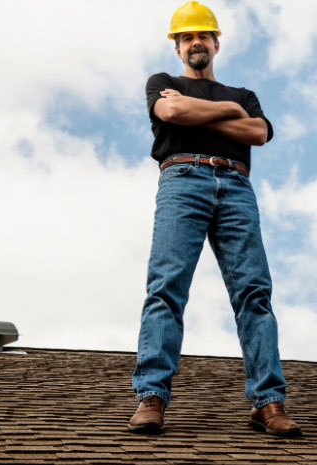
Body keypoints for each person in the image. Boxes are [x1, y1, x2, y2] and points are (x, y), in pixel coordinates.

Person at [128, 1, 301, 437]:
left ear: (216, 43)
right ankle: (151, 398)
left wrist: (204, 111)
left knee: (254, 295)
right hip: (182, 178)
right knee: (166, 288)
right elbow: (170, 113)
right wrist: (229, 114)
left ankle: (269, 404)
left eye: (202, 35)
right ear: (177, 47)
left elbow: (258, 133)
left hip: (236, 185)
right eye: (187, 37)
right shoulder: (163, 84)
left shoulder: (243, 94)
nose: (195, 42)